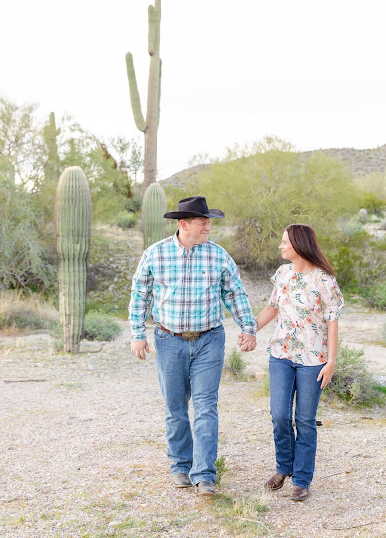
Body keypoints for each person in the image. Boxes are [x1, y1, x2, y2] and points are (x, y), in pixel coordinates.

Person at [129, 196, 257, 496]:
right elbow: (140, 295)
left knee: (205, 407)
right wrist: (137, 333)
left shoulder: (218, 256)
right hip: (168, 339)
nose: (208, 227)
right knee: (175, 408)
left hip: (209, 340)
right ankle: (180, 465)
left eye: (209, 221)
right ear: (184, 224)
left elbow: (235, 293)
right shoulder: (155, 254)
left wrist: (248, 327)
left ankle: (204, 475)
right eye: (203, 222)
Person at [239, 223, 343, 501]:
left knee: (305, 420)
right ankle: (283, 467)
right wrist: (251, 331)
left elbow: (333, 323)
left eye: (285, 242)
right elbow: (272, 307)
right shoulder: (283, 274)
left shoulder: (324, 279)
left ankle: (302, 479)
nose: (281, 246)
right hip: (281, 355)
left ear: (299, 244)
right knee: (280, 416)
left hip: (313, 360)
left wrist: (331, 361)